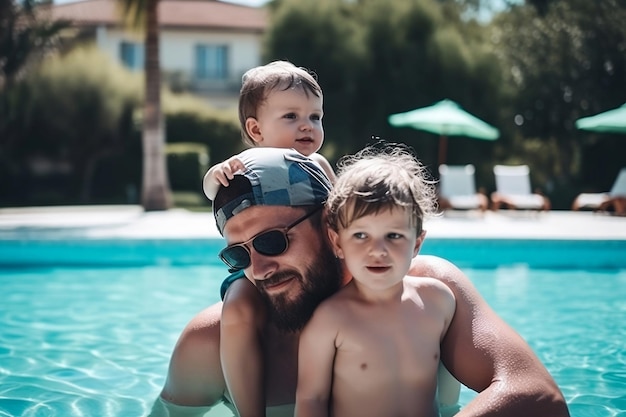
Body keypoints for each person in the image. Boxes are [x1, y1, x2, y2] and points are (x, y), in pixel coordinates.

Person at [158, 147, 569, 417]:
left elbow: (539, 397)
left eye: (272, 241)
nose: (260, 268)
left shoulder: (429, 292)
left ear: (329, 225)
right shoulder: (210, 344)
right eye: (238, 255)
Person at [201, 60, 335, 417]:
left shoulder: (320, 166)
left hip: (300, 261)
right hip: (252, 262)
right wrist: (217, 175)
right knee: (239, 309)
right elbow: (212, 189)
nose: (307, 125)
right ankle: (250, 409)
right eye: (291, 116)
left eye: (315, 117)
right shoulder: (244, 163)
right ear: (256, 129)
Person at [295, 145, 456, 417]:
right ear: (337, 242)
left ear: (417, 244)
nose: (378, 250)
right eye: (360, 236)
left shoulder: (439, 302)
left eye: (393, 236)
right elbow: (312, 399)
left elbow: (450, 394)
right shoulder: (331, 319)